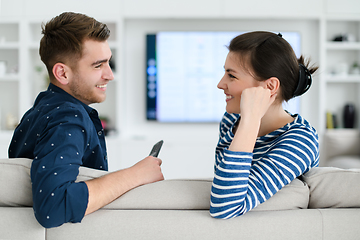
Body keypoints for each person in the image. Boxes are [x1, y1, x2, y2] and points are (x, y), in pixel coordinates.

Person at [8, 12, 164, 228]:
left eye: (108, 63)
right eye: (98, 65)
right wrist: (134, 175)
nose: (110, 74)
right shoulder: (67, 118)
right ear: (62, 73)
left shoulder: (37, 112)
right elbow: (52, 207)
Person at [210, 31, 319, 219]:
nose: (220, 84)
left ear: (269, 87)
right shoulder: (231, 122)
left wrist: (250, 121)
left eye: (232, 76)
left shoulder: (301, 141)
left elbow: (224, 207)